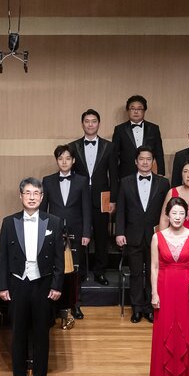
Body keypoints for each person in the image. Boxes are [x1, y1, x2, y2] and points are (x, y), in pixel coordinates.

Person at [0, 178, 64, 376]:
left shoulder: (54, 221)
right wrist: (2, 285)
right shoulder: (9, 222)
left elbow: (58, 259)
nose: (32, 197)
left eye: (36, 193)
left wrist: (57, 285)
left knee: (41, 333)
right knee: (18, 332)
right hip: (18, 283)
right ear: (21, 196)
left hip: (43, 284)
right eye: (28, 193)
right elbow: (3, 258)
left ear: (42, 197)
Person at [148, 196, 189, 376]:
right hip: (165, 287)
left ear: (186, 215)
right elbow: (154, 267)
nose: (178, 217)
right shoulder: (157, 236)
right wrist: (154, 293)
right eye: (174, 213)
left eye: (182, 213)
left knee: (187, 330)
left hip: (187, 288)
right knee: (165, 329)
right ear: (168, 215)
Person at [115, 147, 171, 323]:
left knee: (153, 273)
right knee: (136, 273)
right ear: (135, 161)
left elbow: (166, 211)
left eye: (148, 159)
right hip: (133, 235)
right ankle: (137, 309)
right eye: (142, 159)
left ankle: (150, 308)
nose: (145, 162)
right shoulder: (125, 182)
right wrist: (119, 233)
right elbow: (121, 210)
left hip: (155, 236)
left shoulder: (163, 183)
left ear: (153, 161)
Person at [41, 145, 92, 323]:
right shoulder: (47, 181)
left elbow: (86, 208)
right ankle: (54, 303)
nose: (64, 161)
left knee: (75, 270)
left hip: (76, 231)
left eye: (68, 158)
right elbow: (43, 209)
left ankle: (75, 303)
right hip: (53, 232)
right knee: (54, 268)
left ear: (73, 161)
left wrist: (86, 232)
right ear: (57, 161)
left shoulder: (82, 181)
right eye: (61, 158)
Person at [71, 109, 117, 286]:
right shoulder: (73, 146)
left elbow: (113, 175)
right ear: (82, 124)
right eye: (87, 121)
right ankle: (80, 271)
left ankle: (100, 271)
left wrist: (112, 199)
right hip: (80, 198)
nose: (90, 124)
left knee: (101, 236)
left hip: (103, 197)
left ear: (99, 123)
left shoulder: (109, 146)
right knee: (81, 235)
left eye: (94, 121)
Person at [112, 95, 164, 179]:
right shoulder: (119, 129)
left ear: (144, 111)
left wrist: (161, 173)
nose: (136, 112)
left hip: (149, 173)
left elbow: (159, 152)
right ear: (128, 111)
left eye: (139, 109)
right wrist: (114, 177)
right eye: (132, 108)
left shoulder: (154, 129)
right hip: (125, 174)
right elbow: (114, 155)